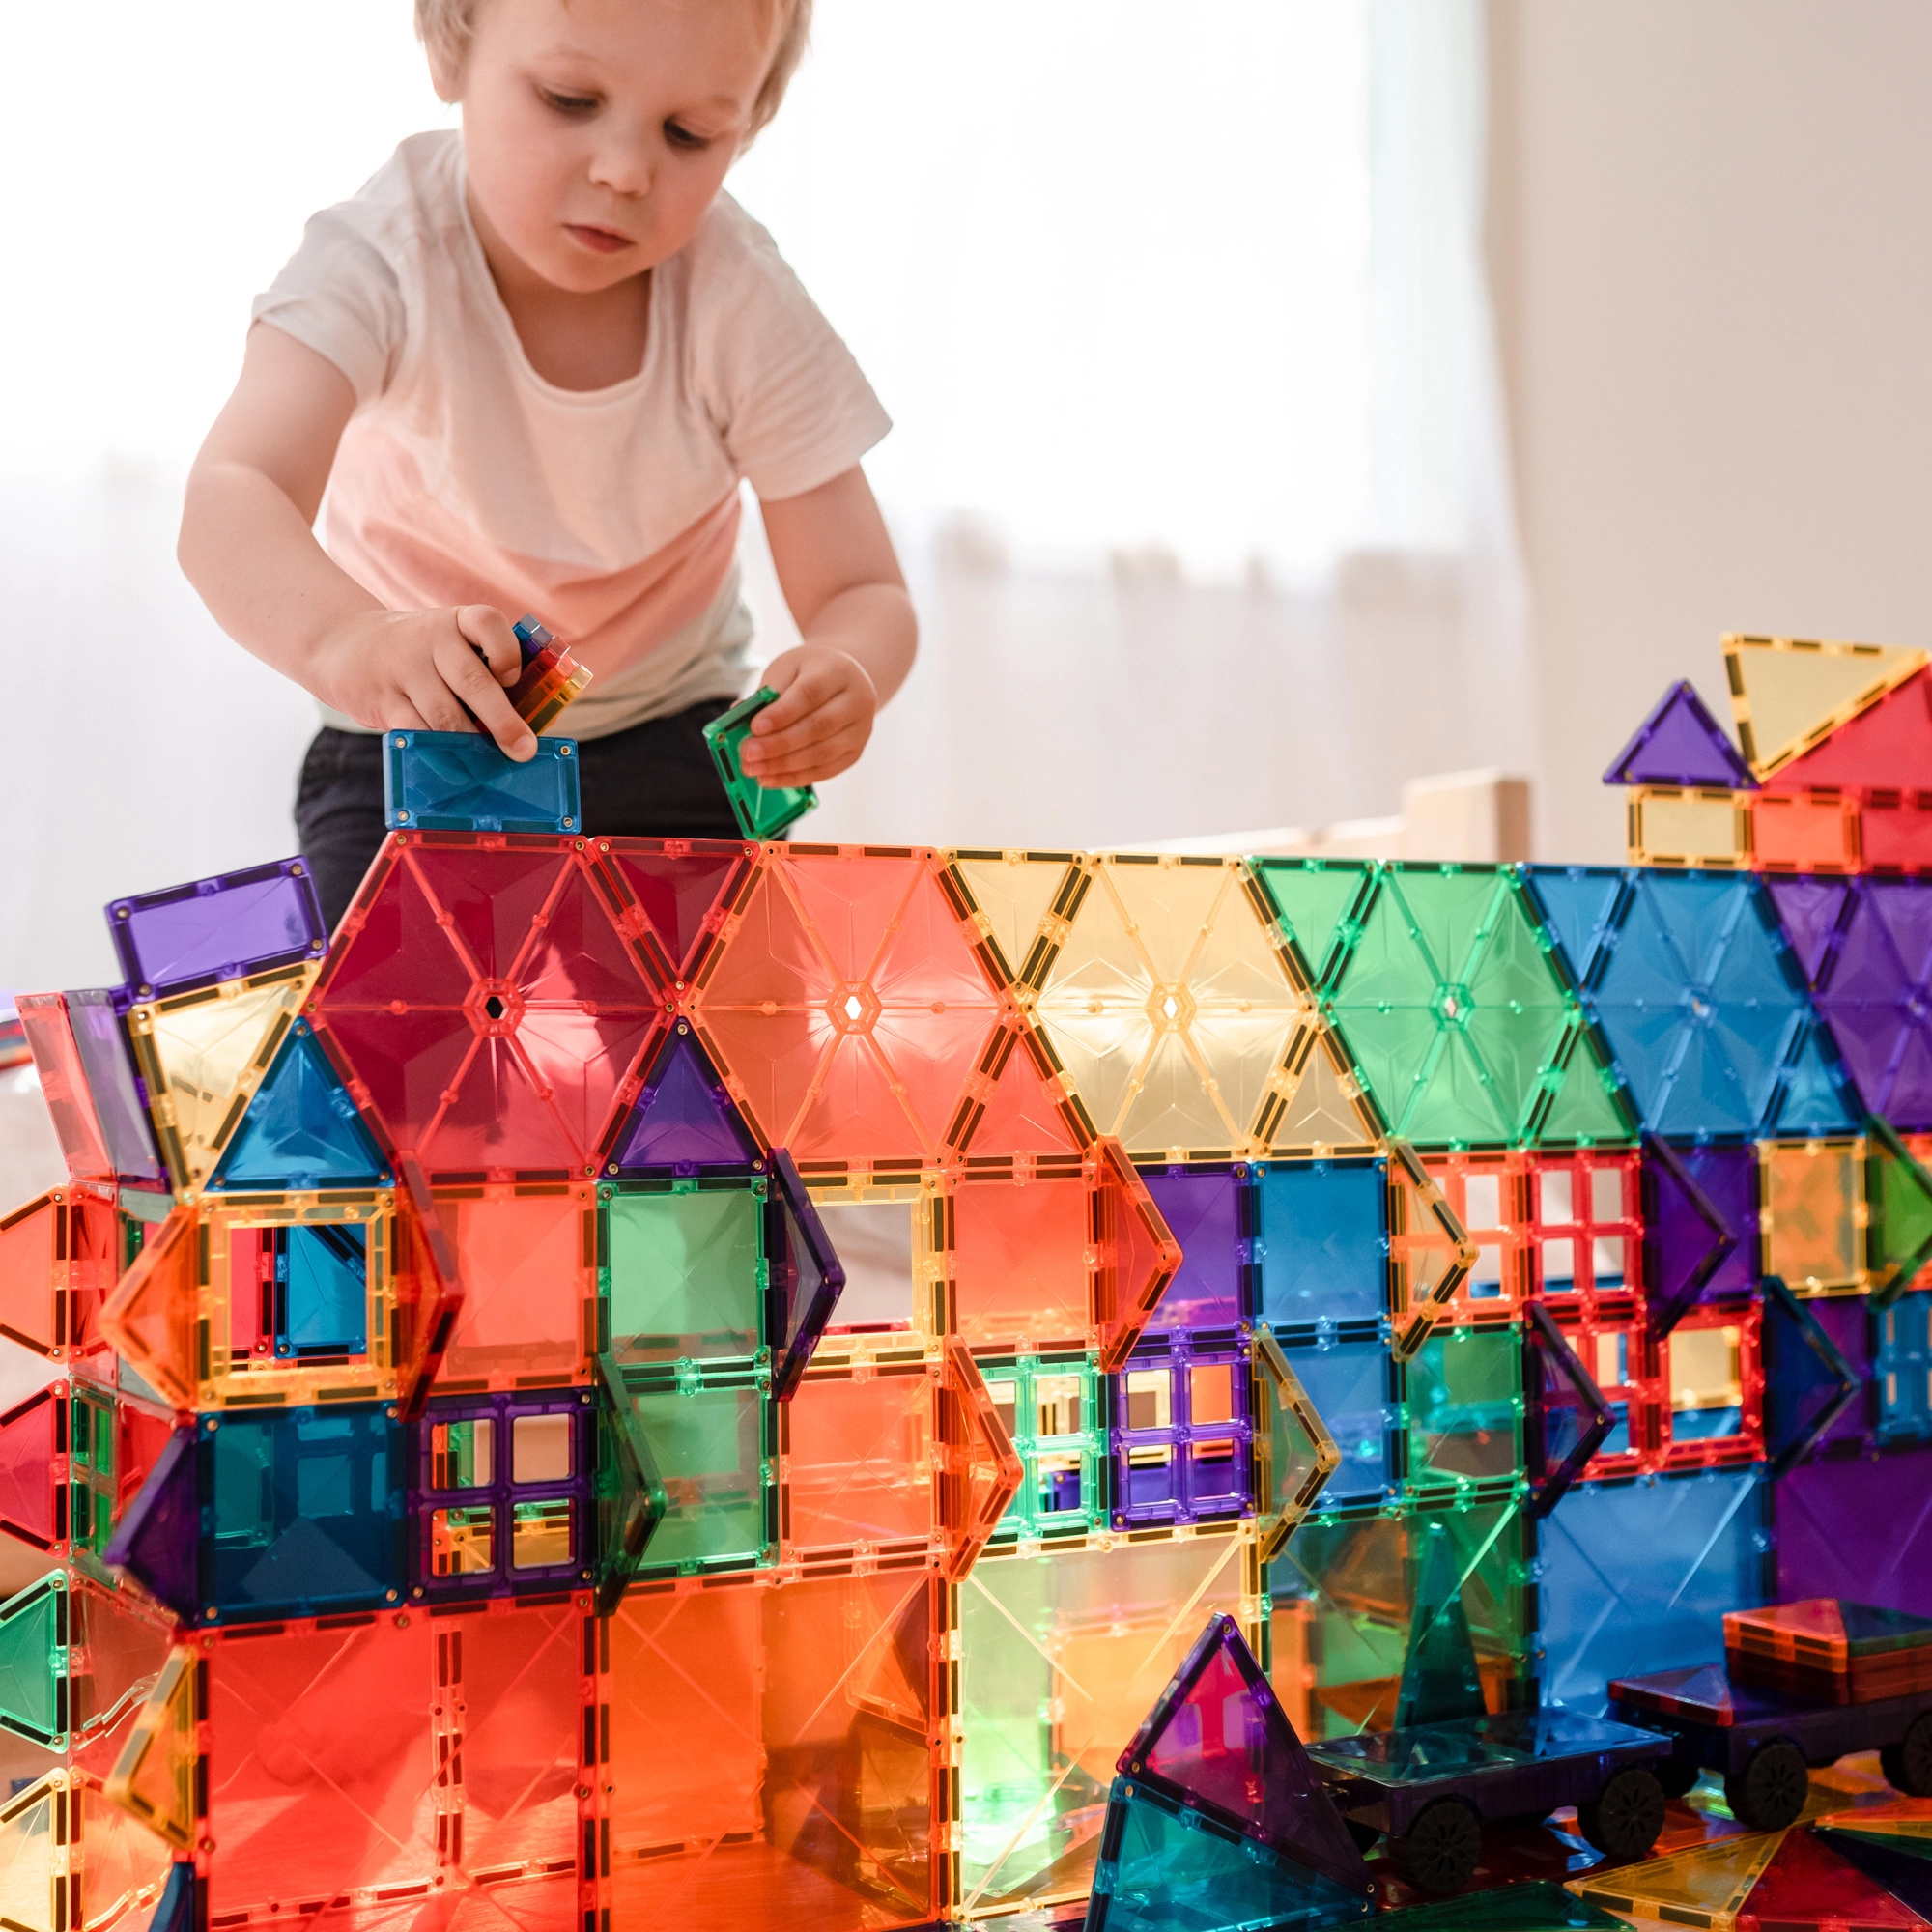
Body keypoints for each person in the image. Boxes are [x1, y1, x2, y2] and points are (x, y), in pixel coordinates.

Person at [177, 0, 915, 928]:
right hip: (417, 737)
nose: (625, 171)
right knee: (382, 1012)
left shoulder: (740, 294)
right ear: (452, 50)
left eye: (689, 133)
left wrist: (845, 669)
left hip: (673, 743)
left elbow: (862, 589)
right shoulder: (382, 257)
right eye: (570, 99)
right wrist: (346, 642)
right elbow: (234, 492)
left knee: (722, 1017)